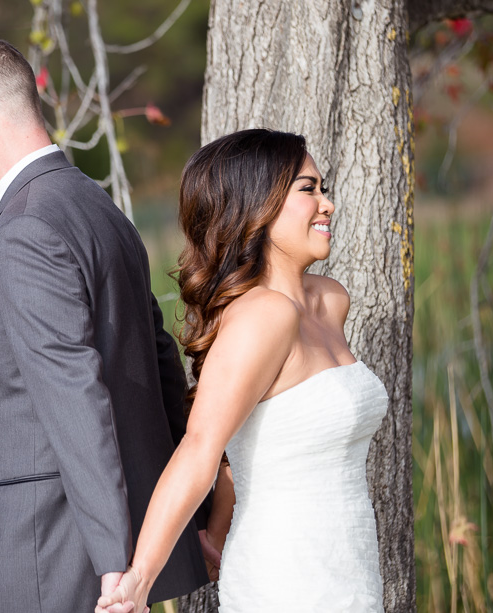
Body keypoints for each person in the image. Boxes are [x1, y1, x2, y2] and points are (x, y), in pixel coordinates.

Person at [0, 36, 209, 612]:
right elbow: (161, 370)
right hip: (89, 537)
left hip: (48, 549)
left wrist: (111, 560)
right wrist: (186, 519)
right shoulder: (98, 207)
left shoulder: (25, 226)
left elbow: (73, 392)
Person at [97, 129, 388, 612]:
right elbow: (200, 448)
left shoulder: (330, 301)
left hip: (350, 569)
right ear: (259, 207)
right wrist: (140, 580)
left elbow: (253, 437)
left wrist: (215, 530)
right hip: (287, 578)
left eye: (324, 188)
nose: (327, 204)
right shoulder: (262, 316)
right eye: (308, 189)